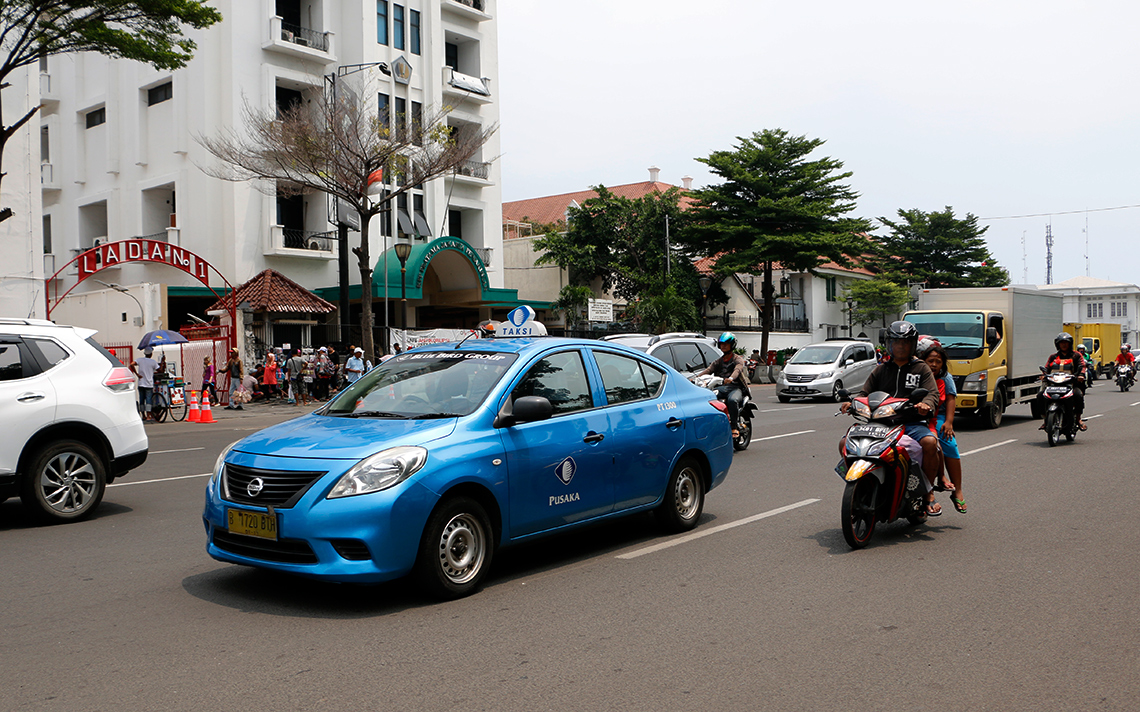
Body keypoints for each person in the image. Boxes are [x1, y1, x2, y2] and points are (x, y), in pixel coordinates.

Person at [840, 321, 943, 515]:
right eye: (896, 342)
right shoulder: (881, 369)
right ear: (889, 344)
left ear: (912, 344)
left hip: (910, 422)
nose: (900, 346)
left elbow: (932, 393)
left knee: (930, 443)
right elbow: (865, 393)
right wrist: (852, 403)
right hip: (880, 423)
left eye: (905, 342)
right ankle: (862, 483)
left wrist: (926, 404)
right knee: (844, 443)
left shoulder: (921, 369)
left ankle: (928, 493)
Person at [923, 343, 966, 514]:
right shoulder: (914, 373)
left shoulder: (945, 378)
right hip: (913, 417)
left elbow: (950, 399)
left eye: (937, 361)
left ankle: (957, 489)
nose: (933, 365)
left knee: (947, 442)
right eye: (930, 361)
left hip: (937, 416)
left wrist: (949, 422)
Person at [697, 332, 750, 438]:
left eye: (726, 344)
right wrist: (695, 378)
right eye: (721, 344)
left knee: (732, 400)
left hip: (735, 388)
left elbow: (737, 370)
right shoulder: (718, 361)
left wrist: (731, 378)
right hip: (720, 388)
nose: (723, 346)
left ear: (732, 345)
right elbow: (708, 370)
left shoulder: (737, 359)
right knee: (708, 399)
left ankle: (734, 427)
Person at [1037, 332, 1086, 431]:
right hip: (1054, 384)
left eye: (1066, 342)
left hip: (1071, 384)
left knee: (1078, 395)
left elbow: (1082, 366)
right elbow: (1046, 368)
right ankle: (1046, 419)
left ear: (1070, 344)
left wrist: (1081, 375)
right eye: (1061, 342)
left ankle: (1078, 419)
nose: (1063, 344)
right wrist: (1043, 375)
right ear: (1057, 344)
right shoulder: (1053, 357)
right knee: (1040, 395)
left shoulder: (1076, 355)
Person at [132, 347, 159, 421]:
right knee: (148, 400)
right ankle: (149, 416)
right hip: (149, 384)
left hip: (141, 383)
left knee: (141, 399)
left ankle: (143, 415)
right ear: (151, 354)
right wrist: (163, 362)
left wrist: (137, 374)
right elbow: (160, 369)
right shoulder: (153, 362)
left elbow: (131, 364)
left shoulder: (140, 360)